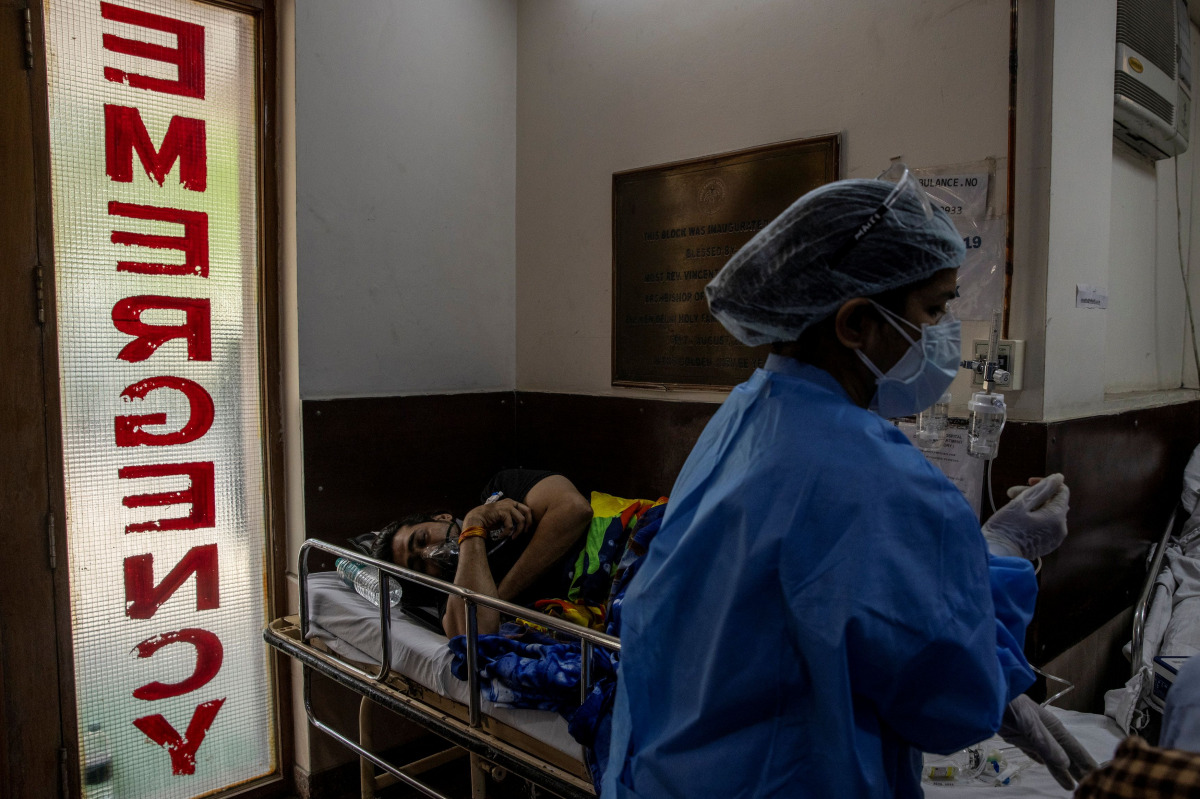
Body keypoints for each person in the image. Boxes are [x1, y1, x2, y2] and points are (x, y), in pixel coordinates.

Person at [601, 168, 1095, 798]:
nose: (946, 335)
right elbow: (949, 700)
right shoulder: (877, 475)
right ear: (856, 323)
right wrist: (1001, 555)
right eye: (934, 309)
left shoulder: (744, 416)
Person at [365, 469, 593, 638]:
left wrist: (494, 599)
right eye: (419, 566)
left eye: (423, 539)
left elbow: (574, 509)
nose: (428, 553)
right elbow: (475, 635)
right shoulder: (451, 596)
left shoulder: (501, 493)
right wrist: (474, 526)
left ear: (442, 517)